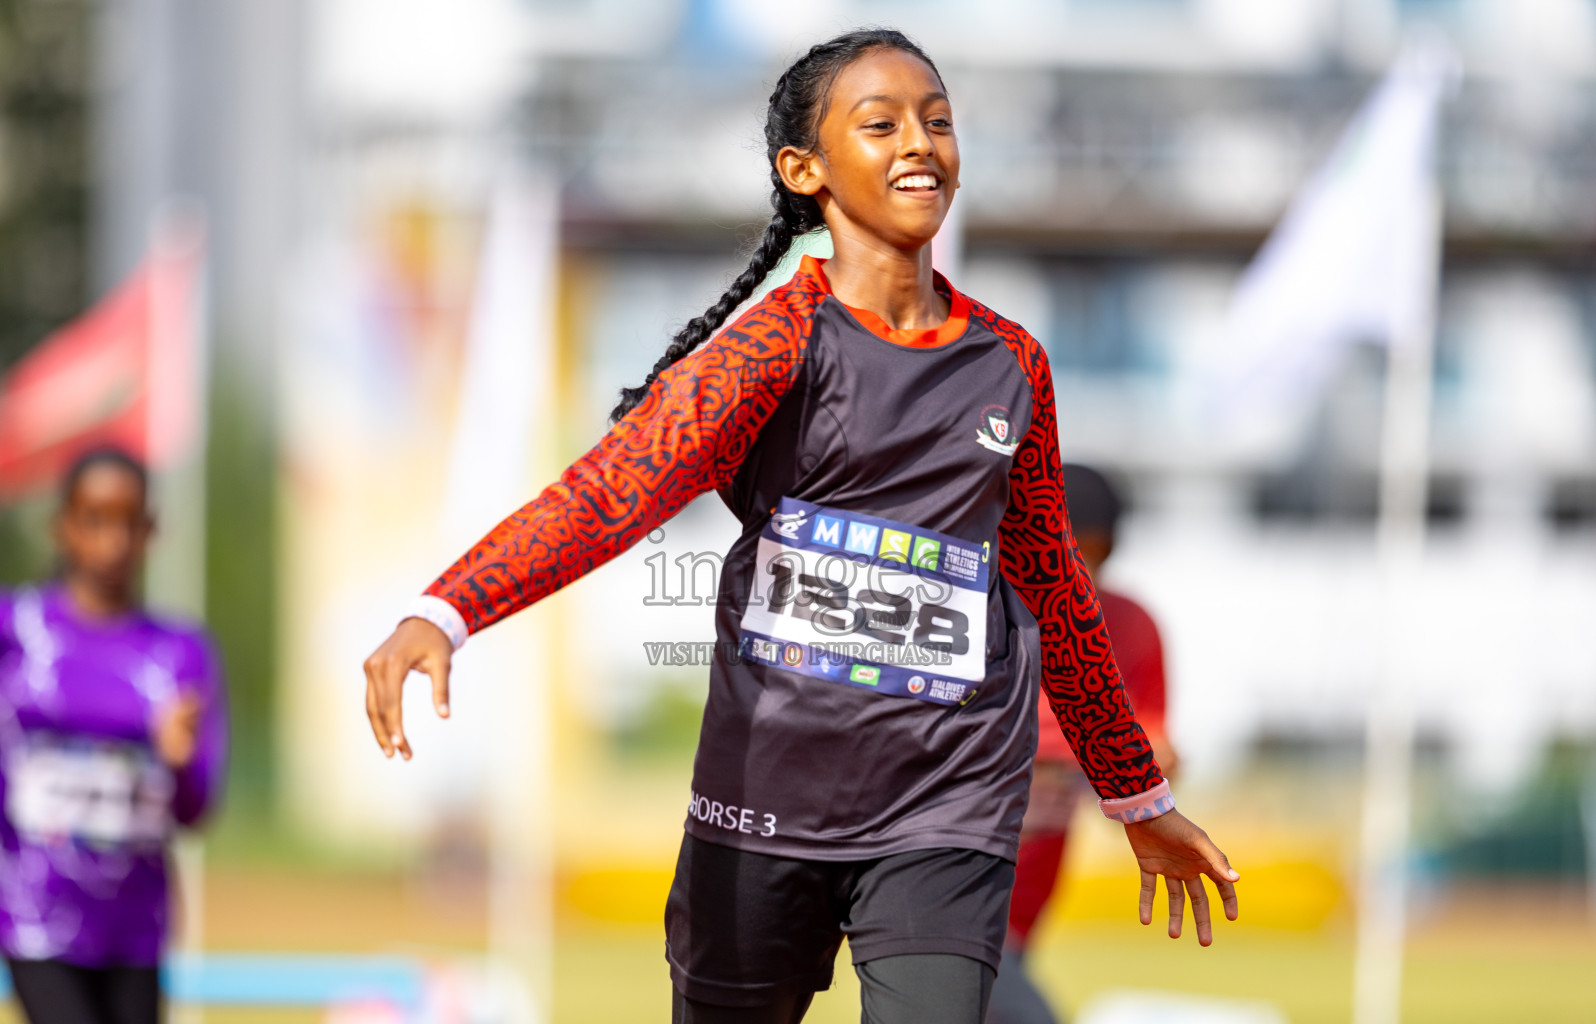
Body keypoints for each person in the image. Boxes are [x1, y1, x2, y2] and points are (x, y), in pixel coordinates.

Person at [364, 29, 1238, 1024]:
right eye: (881, 125)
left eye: (938, 121)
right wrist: (447, 608)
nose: (920, 142)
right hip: (764, 800)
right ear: (805, 169)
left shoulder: (1013, 364)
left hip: (945, 808)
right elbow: (613, 490)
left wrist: (1138, 797)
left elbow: (1055, 587)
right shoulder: (774, 348)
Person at [0, 448, 227, 1024]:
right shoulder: (19, 631)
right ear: (63, 525)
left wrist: (178, 762)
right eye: (95, 519)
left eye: (129, 522)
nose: (113, 540)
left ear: (150, 530)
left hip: (136, 927)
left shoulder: (179, 653)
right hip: (37, 913)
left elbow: (197, 808)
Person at [985, 465, 1176, 1024]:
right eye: (1065, 551)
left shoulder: (1128, 623)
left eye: (1093, 554)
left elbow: (1152, 744)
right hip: (951, 881)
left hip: (1026, 900)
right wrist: (1094, 756)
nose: (1077, 570)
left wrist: (1143, 766)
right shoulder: (984, 608)